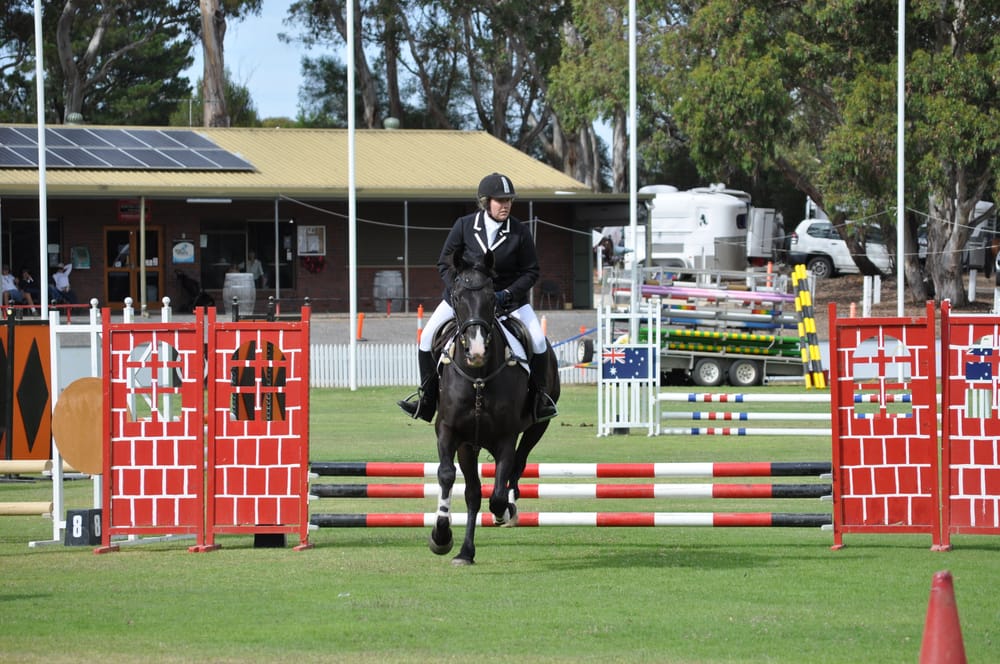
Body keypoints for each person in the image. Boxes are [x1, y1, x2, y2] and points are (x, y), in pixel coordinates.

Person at [398, 172, 557, 423]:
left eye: (508, 200)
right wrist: (459, 293)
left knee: (538, 342)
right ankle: (427, 399)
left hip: (508, 302)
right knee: (427, 337)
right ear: (486, 202)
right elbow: (444, 263)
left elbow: (531, 271)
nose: (505, 205)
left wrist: (507, 294)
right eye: (499, 200)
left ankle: (539, 401)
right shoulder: (464, 226)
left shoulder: (519, 232)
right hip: (464, 301)